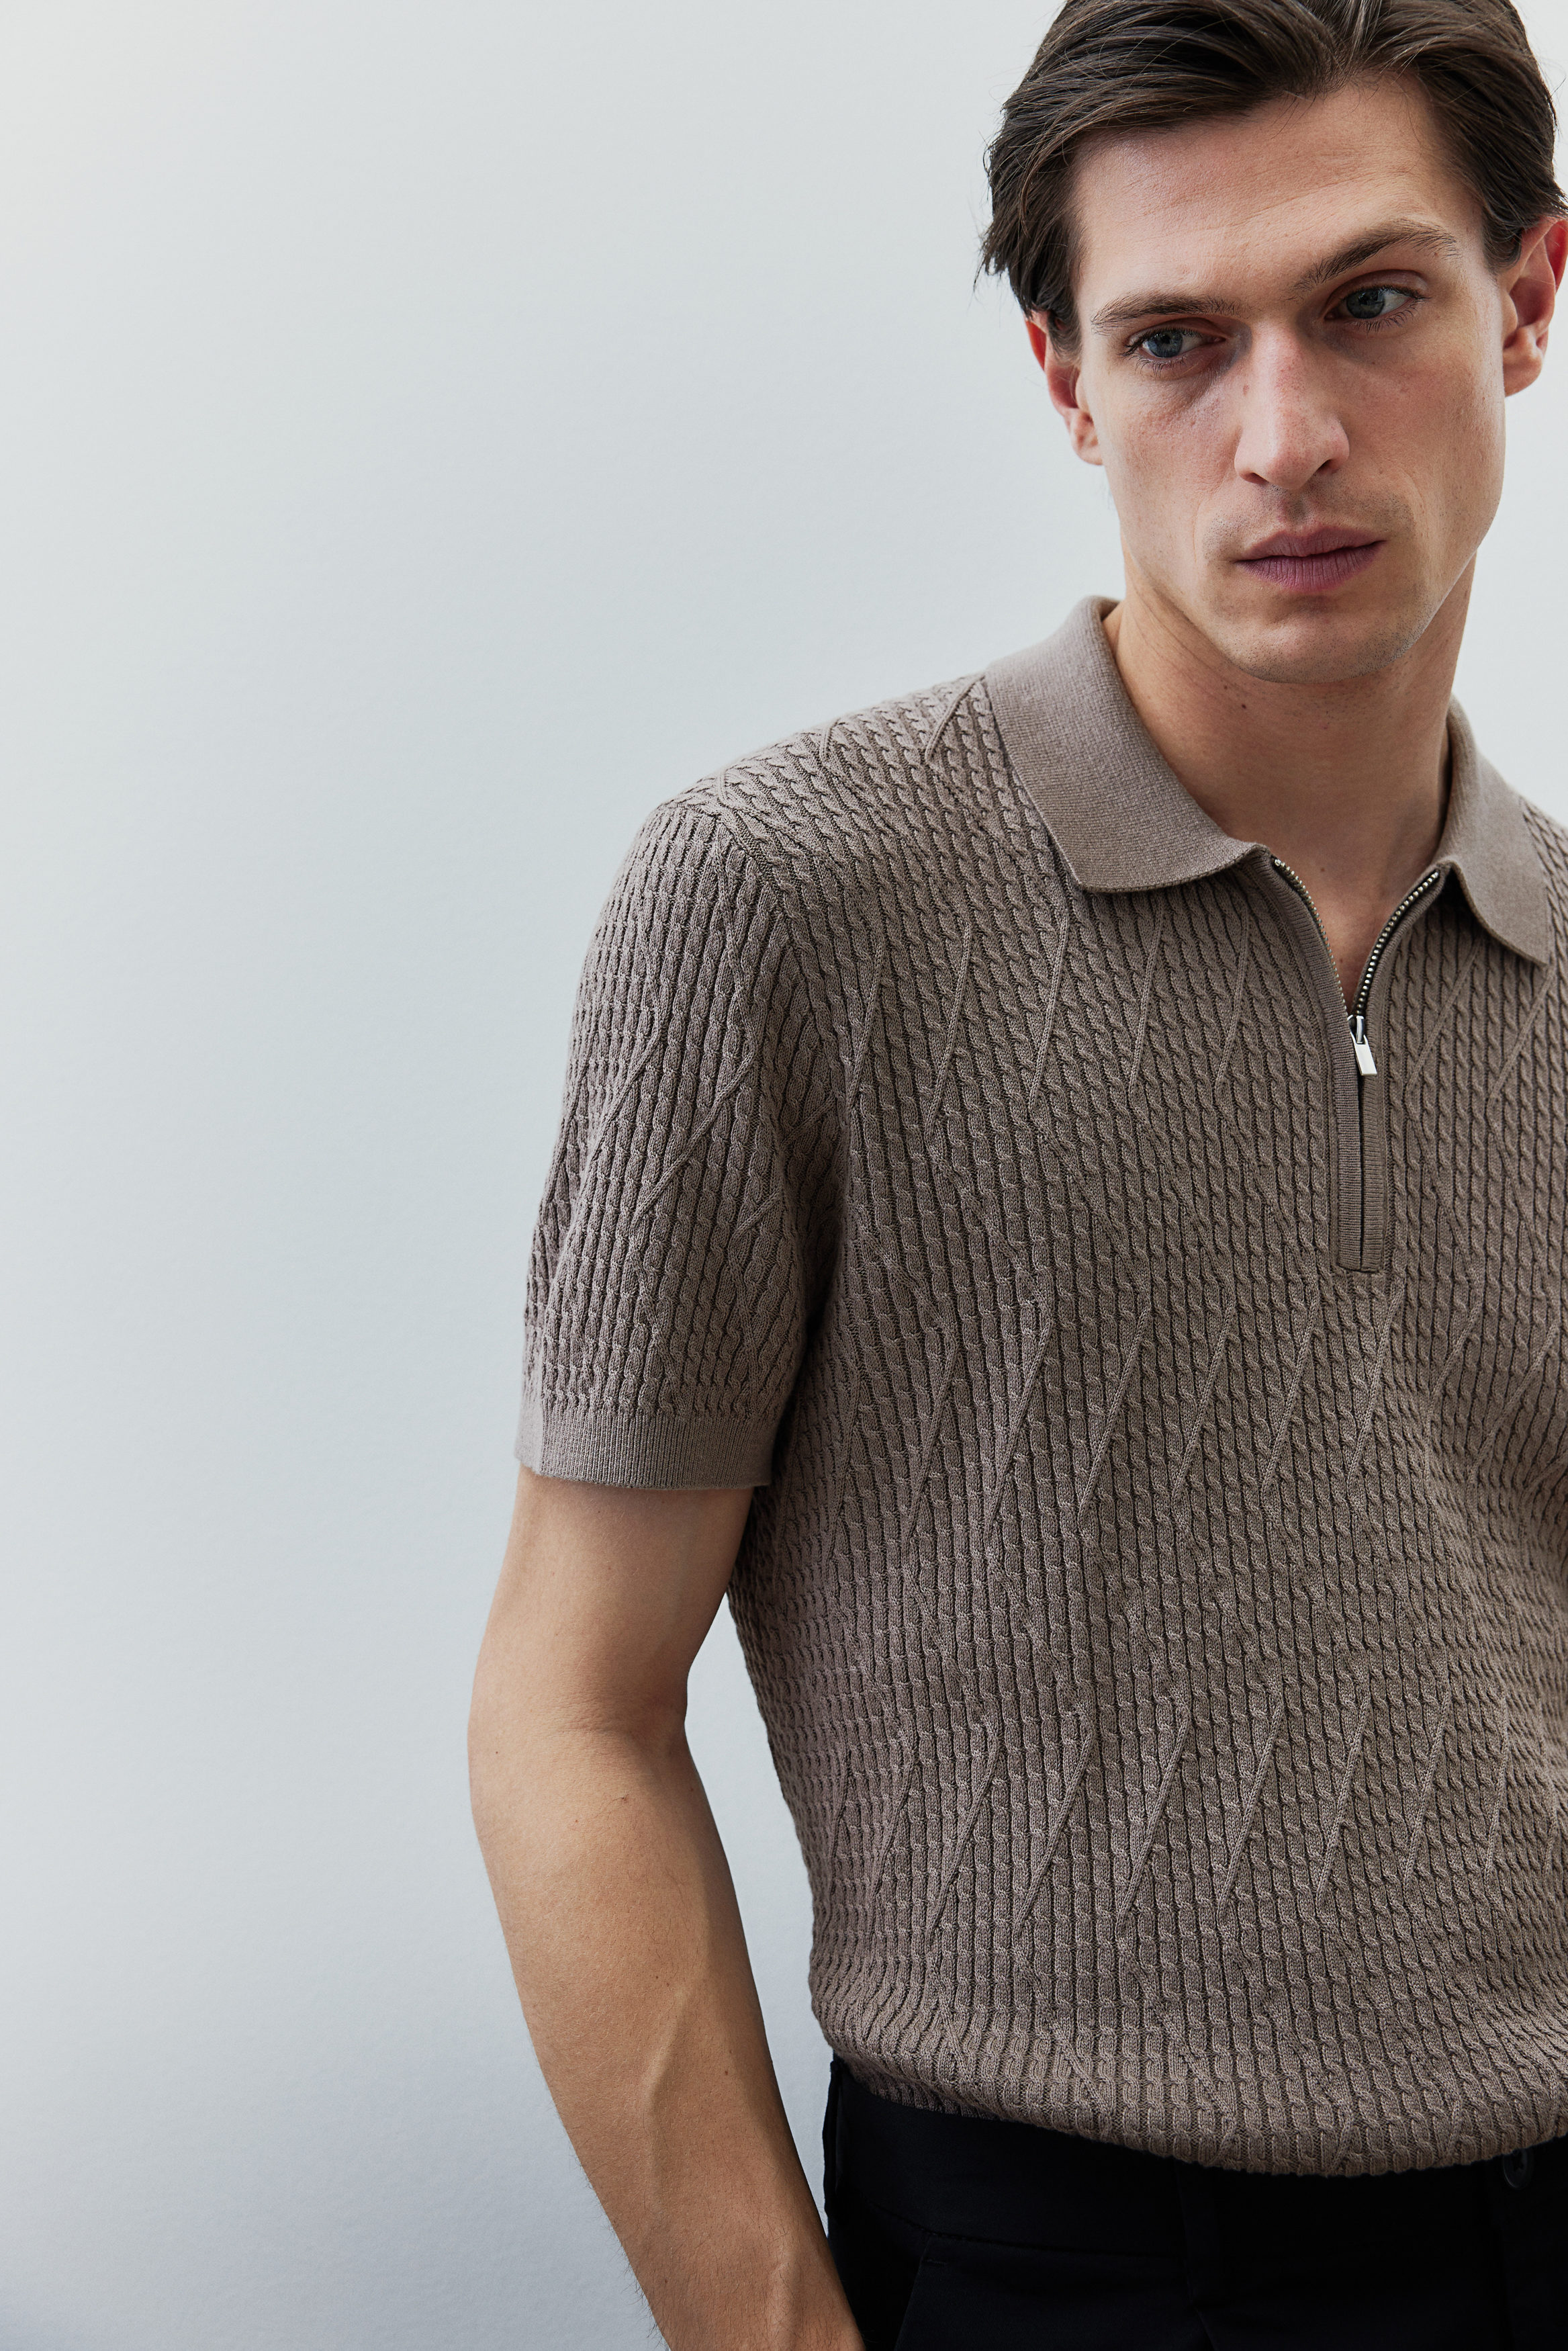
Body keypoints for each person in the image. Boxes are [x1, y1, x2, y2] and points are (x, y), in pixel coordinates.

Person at [469, 1, 1568, 2342]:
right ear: (1069, 381)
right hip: (1050, 2261)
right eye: (1177, 340)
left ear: (1530, 299)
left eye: (1373, 300)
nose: (1284, 435)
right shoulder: (783, 902)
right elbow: (571, 1704)